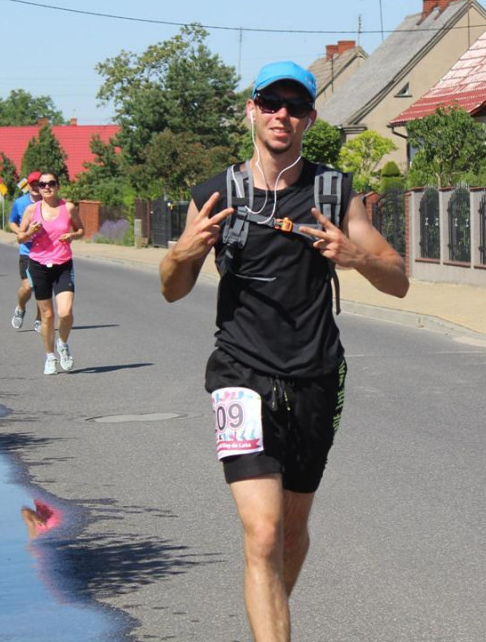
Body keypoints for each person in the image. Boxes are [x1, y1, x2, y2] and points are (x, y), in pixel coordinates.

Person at [158, 61, 409, 642]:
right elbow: (171, 289)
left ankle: (265, 613)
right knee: (264, 534)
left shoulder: (333, 192)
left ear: (310, 120)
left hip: (317, 375)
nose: (282, 116)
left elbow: (396, 279)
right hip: (239, 374)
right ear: (252, 110)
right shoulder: (218, 194)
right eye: (271, 104)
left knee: (292, 533)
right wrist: (184, 251)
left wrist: (356, 256)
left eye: (294, 107)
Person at [17, 172, 84, 375]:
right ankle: (49, 356)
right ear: (38, 187)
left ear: (58, 186)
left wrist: (72, 235)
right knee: (47, 315)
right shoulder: (31, 210)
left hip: (63, 264)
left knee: (65, 312)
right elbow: (20, 237)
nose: (46, 187)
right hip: (38, 264)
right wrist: (30, 233)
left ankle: (62, 344)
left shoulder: (68, 207)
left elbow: (81, 230)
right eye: (42, 184)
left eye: (51, 183)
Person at [8, 171, 42, 330]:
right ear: (28, 185)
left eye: (38, 184)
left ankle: (39, 318)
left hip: (45, 252)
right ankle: (20, 308)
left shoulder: (49, 203)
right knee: (28, 287)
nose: (35, 187)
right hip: (26, 251)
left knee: (42, 288)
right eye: (32, 184)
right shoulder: (20, 203)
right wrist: (20, 233)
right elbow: (11, 222)